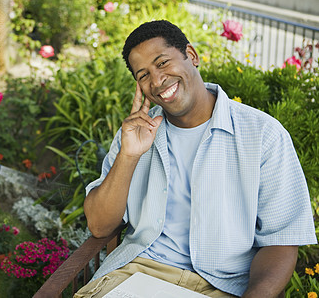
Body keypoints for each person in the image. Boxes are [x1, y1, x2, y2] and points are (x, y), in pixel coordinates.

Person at [76, 20, 317, 297]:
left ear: (191, 55)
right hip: (137, 272)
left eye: (163, 63)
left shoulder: (264, 135)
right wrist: (129, 156)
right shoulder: (135, 134)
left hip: (220, 286)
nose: (156, 81)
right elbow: (99, 225)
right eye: (143, 75)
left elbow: (281, 242)